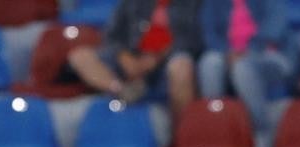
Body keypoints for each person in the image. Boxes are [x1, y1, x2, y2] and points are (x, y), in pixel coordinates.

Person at [66, 0, 201, 121]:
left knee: (181, 67)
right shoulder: (131, 2)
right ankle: (120, 90)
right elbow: (112, 37)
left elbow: (193, 39)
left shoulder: (192, 4)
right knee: (80, 56)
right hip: (130, 58)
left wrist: (155, 59)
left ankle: (182, 134)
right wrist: (123, 57)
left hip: (166, 62)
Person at [197, 0, 296, 147]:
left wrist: (248, 51)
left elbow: (274, 27)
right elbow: (209, 33)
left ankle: (261, 134)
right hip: (228, 55)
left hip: (268, 54)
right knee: (209, 63)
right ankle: (214, 130)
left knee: (243, 68)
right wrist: (227, 53)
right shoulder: (213, 3)